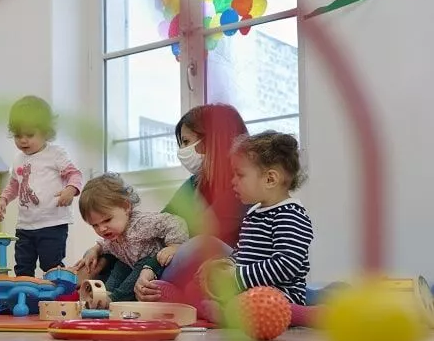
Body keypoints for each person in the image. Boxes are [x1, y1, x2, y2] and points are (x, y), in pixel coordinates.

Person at [132, 103, 249, 302]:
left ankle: (164, 291)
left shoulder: (240, 187)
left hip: (226, 269)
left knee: (197, 245)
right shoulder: (195, 183)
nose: (182, 151)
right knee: (123, 245)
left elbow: (201, 241)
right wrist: (146, 267)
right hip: (184, 267)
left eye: (186, 142)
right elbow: (159, 227)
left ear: (212, 140)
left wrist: (153, 266)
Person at [197, 130, 315, 324]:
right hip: (249, 292)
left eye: (240, 175)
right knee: (205, 298)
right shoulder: (253, 213)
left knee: (246, 308)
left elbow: (287, 265)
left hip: (280, 295)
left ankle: (303, 314)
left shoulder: (291, 215)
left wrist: (238, 276)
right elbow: (242, 253)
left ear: (270, 179)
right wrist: (225, 264)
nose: (233, 182)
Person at [0, 96, 82, 277]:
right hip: (25, 226)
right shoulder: (18, 158)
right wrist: (3, 199)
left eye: (29, 135)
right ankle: (24, 298)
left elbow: (75, 174)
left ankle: (55, 299)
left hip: (52, 223)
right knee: (23, 266)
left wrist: (70, 189)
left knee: (51, 265)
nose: (23, 141)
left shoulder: (55, 154)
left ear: (45, 132)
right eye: (18, 135)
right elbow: (14, 185)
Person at [74, 173, 188, 303]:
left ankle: (115, 299)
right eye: (95, 225)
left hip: (151, 263)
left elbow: (175, 222)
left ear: (126, 207)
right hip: (128, 262)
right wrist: (95, 250)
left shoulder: (141, 223)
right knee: (118, 270)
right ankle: (104, 296)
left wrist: (174, 245)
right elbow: (105, 245)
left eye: (107, 220)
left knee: (137, 267)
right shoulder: (114, 233)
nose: (102, 229)